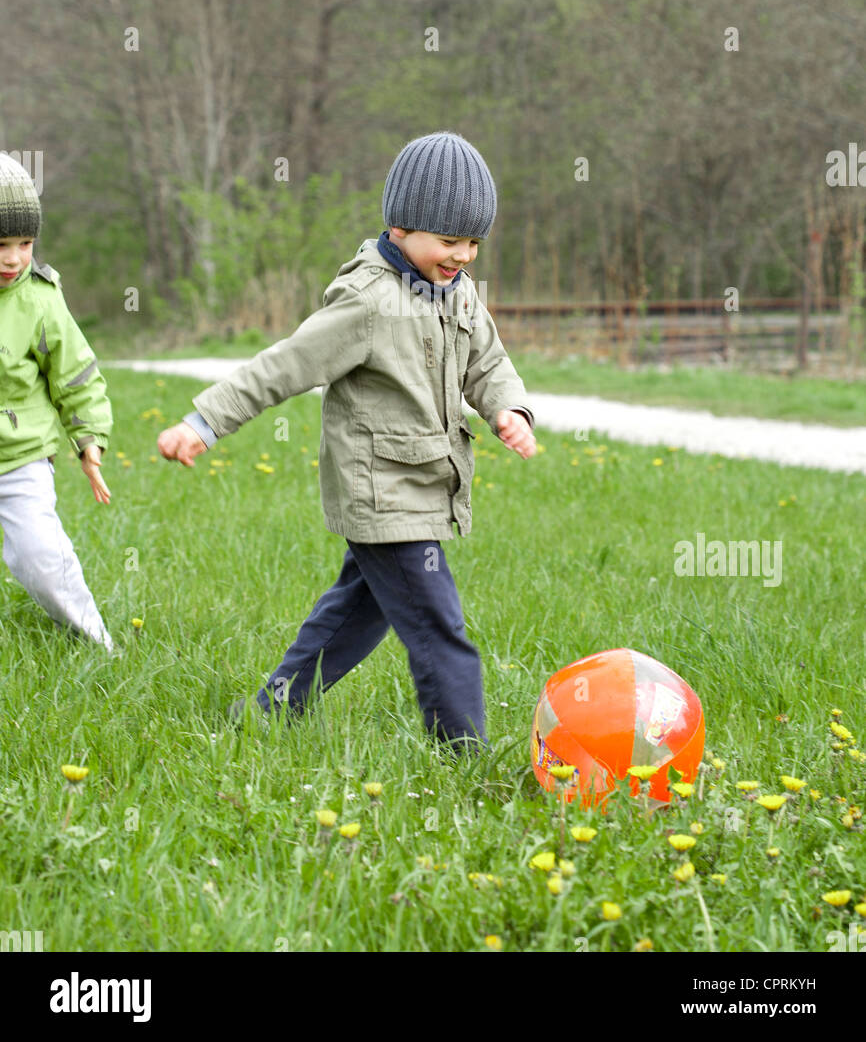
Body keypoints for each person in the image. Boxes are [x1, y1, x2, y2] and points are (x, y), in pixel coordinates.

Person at [158, 132, 536, 748]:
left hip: (420, 488)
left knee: (359, 613)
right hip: (383, 494)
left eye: (473, 241)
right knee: (441, 626)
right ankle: (466, 754)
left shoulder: (459, 293)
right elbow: (283, 366)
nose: (464, 254)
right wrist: (203, 423)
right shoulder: (367, 301)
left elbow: (488, 364)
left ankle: (272, 710)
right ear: (401, 226)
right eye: (449, 240)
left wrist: (508, 410)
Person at [0, 153, 114, 651]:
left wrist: (89, 441)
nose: (14, 258)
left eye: (25, 243)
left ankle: (95, 641)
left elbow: (76, 375)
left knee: (42, 559)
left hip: (19, 457)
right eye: (1, 244)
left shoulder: (41, 300)